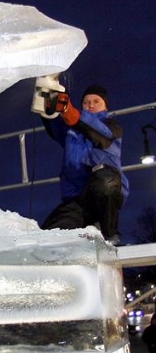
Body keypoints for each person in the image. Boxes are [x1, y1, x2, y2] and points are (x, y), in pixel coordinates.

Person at [40, 84, 128, 245]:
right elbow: (54, 124)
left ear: (105, 106)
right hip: (78, 198)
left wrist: (71, 112)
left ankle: (110, 235)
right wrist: (53, 96)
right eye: (86, 102)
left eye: (96, 101)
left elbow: (99, 132)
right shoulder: (70, 132)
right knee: (49, 235)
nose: (91, 105)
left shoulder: (112, 127)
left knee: (105, 179)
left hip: (105, 194)